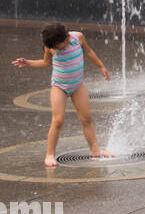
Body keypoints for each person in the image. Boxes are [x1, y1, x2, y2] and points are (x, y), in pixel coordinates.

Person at [12, 23, 112, 167]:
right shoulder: (51, 47)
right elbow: (46, 63)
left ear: (66, 37)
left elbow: (89, 51)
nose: (58, 48)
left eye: (59, 45)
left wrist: (101, 66)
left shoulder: (78, 37)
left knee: (87, 118)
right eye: (55, 47)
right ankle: (50, 154)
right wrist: (28, 63)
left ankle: (95, 149)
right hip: (59, 87)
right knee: (58, 120)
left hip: (77, 85)